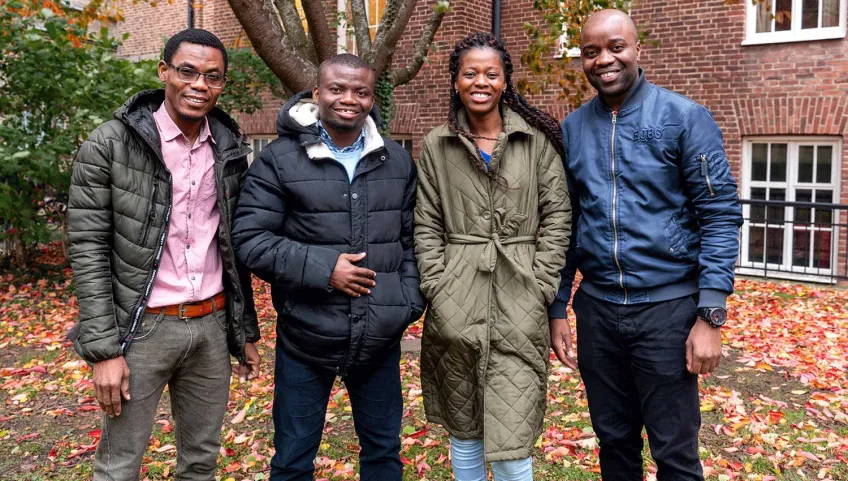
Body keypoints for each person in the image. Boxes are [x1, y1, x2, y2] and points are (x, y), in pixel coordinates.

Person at [549, 9, 744, 481]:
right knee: (614, 442)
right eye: (591, 52)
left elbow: (720, 216)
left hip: (668, 312)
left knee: (674, 451)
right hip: (597, 311)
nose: (604, 60)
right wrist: (558, 306)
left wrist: (710, 313)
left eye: (616, 47)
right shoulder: (573, 129)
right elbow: (567, 224)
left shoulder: (685, 118)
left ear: (637, 49)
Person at [67, 28, 261, 481]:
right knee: (119, 466)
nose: (199, 85)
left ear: (222, 84)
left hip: (211, 326)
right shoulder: (111, 143)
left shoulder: (229, 148)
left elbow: (235, 248)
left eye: (212, 77)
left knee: (200, 462)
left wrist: (243, 329)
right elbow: (87, 248)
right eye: (187, 72)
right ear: (164, 72)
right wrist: (103, 352)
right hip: (142, 329)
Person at [232, 53, 424, 481]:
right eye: (337, 89)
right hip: (306, 335)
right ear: (317, 93)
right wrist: (323, 268)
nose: (348, 99)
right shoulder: (279, 160)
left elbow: (411, 240)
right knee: (293, 460)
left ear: (372, 98)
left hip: (378, 339)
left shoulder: (396, 160)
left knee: (383, 453)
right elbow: (250, 239)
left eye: (361, 91)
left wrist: (406, 302)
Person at [414, 32, 572, 481]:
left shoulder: (534, 142)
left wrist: (541, 284)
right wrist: (437, 285)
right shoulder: (436, 145)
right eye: (470, 73)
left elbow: (558, 217)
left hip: (521, 300)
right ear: (455, 81)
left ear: (506, 82)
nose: (480, 81)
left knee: (513, 431)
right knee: (463, 427)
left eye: (491, 73)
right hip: (455, 301)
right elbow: (425, 222)